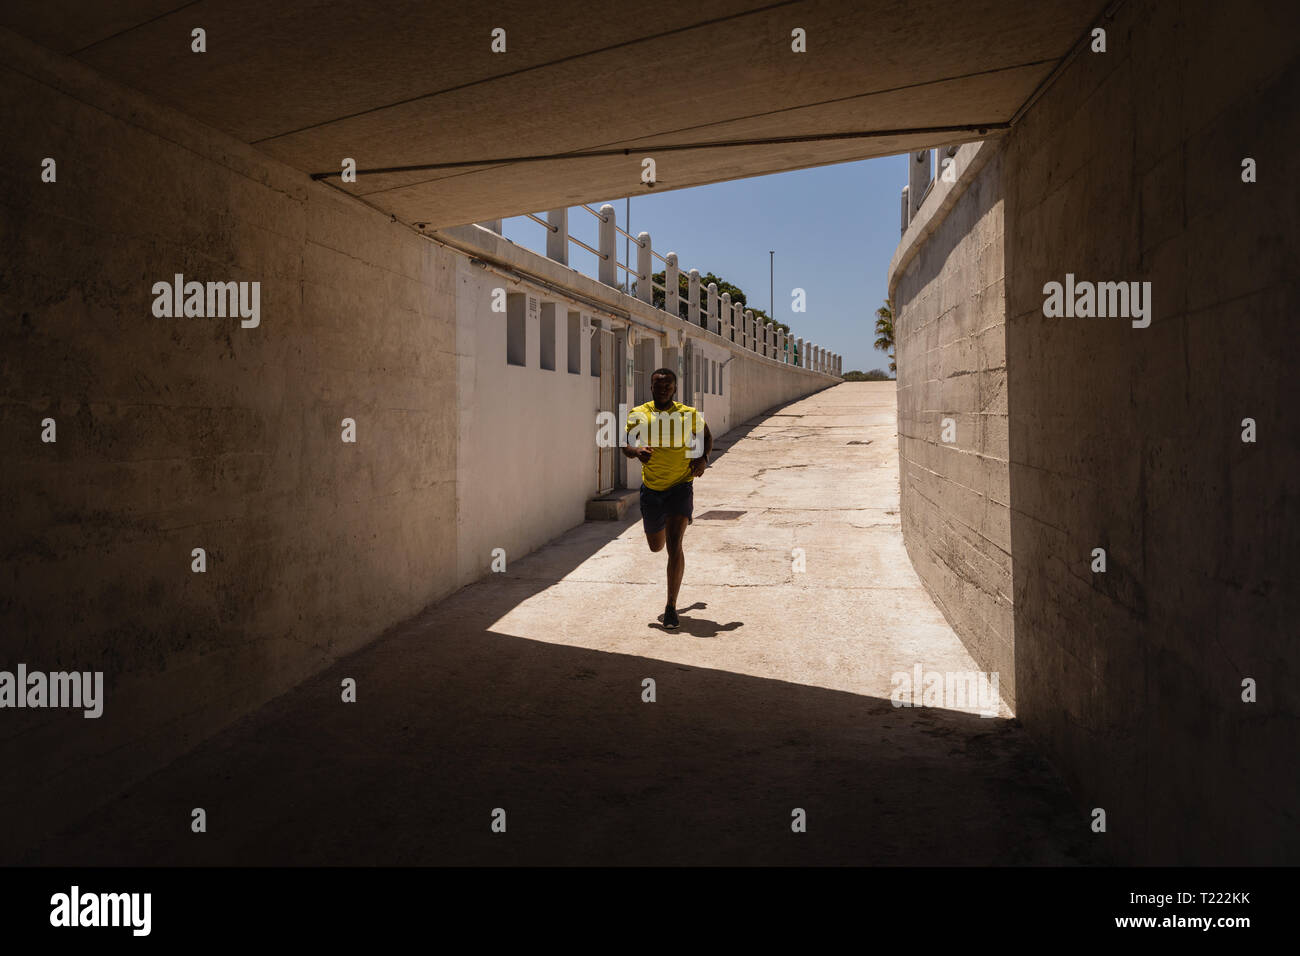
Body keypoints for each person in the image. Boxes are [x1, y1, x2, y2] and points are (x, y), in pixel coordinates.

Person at [622, 367, 712, 629]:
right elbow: (625, 445)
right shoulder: (639, 413)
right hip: (651, 490)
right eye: (658, 385)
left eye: (668, 385)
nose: (663, 388)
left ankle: (671, 606)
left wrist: (703, 459)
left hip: (680, 486)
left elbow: (706, 436)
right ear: (651, 387)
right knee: (656, 546)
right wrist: (637, 451)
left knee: (675, 544)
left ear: (674, 388)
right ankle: (660, 528)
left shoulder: (688, 414)